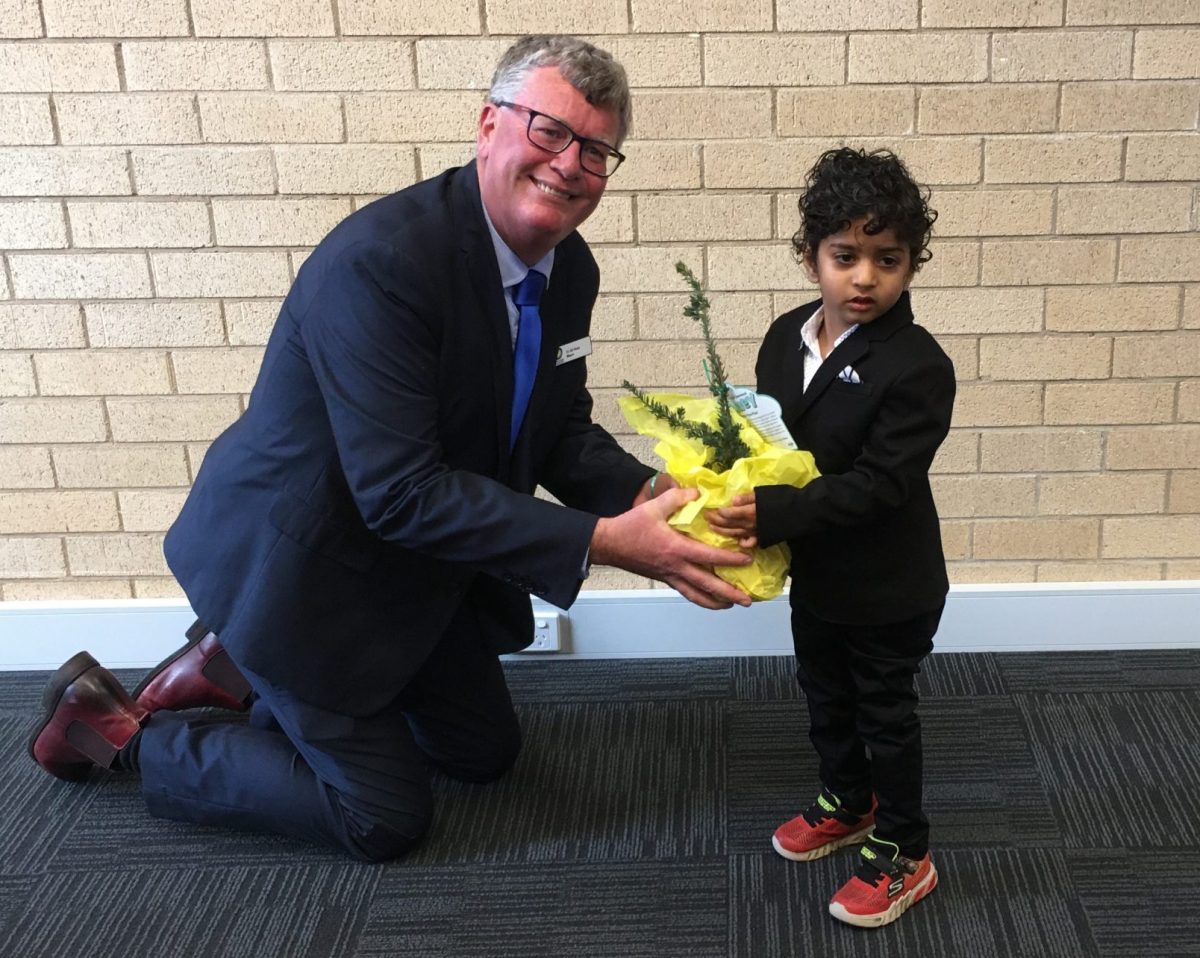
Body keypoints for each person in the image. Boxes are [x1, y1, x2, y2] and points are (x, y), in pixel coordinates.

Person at [28, 35, 752, 862]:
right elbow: (402, 493)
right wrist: (605, 544)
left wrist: (654, 495)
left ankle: (241, 675)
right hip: (305, 570)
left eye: (595, 149)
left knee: (482, 756)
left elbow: (556, 428)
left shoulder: (568, 270)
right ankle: (124, 732)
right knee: (382, 819)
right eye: (549, 130)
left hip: (414, 568)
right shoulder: (384, 263)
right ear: (490, 125)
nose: (569, 164)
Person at [707, 147, 955, 928]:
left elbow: (883, 485)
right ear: (811, 255)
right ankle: (847, 801)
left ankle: (907, 850)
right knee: (825, 695)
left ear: (912, 264)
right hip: (816, 575)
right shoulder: (786, 336)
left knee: (885, 712)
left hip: (889, 584)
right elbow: (767, 438)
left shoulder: (918, 366)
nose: (865, 278)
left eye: (889, 259)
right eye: (845, 256)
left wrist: (773, 514)